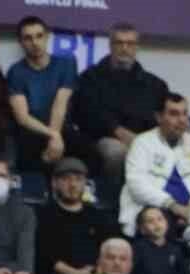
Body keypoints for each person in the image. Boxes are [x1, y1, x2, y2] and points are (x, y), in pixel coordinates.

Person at [70, 23, 167, 191]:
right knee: (116, 152)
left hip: (144, 140)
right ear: (110, 46)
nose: (124, 48)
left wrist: (144, 141)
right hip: (103, 140)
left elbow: (163, 118)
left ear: (137, 47)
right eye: (119, 43)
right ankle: (112, 199)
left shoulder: (155, 85)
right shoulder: (90, 78)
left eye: (130, 43)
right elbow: (87, 114)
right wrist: (119, 132)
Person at [118, 90, 190, 238]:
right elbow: (136, 184)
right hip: (155, 210)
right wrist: (174, 206)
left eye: (185, 113)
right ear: (159, 117)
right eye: (174, 114)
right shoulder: (142, 143)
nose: (182, 120)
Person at [37, 156, 117, 274]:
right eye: (66, 179)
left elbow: (109, 246)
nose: (73, 184)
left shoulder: (97, 216)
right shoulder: (44, 215)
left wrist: (98, 271)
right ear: (54, 183)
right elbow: (44, 256)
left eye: (78, 179)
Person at [6, 14, 76, 174]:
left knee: (90, 154)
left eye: (39, 36)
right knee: (30, 160)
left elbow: (60, 104)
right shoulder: (16, 72)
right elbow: (23, 117)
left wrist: (55, 137)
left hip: (62, 129)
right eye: (28, 38)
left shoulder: (66, 64)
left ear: (47, 37)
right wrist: (53, 135)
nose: (35, 43)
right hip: (32, 132)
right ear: (21, 42)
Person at [130, 204, 188, 274]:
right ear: (142, 229)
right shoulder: (137, 249)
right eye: (150, 221)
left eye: (160, 219)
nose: (156, 224)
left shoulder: (176, 249)